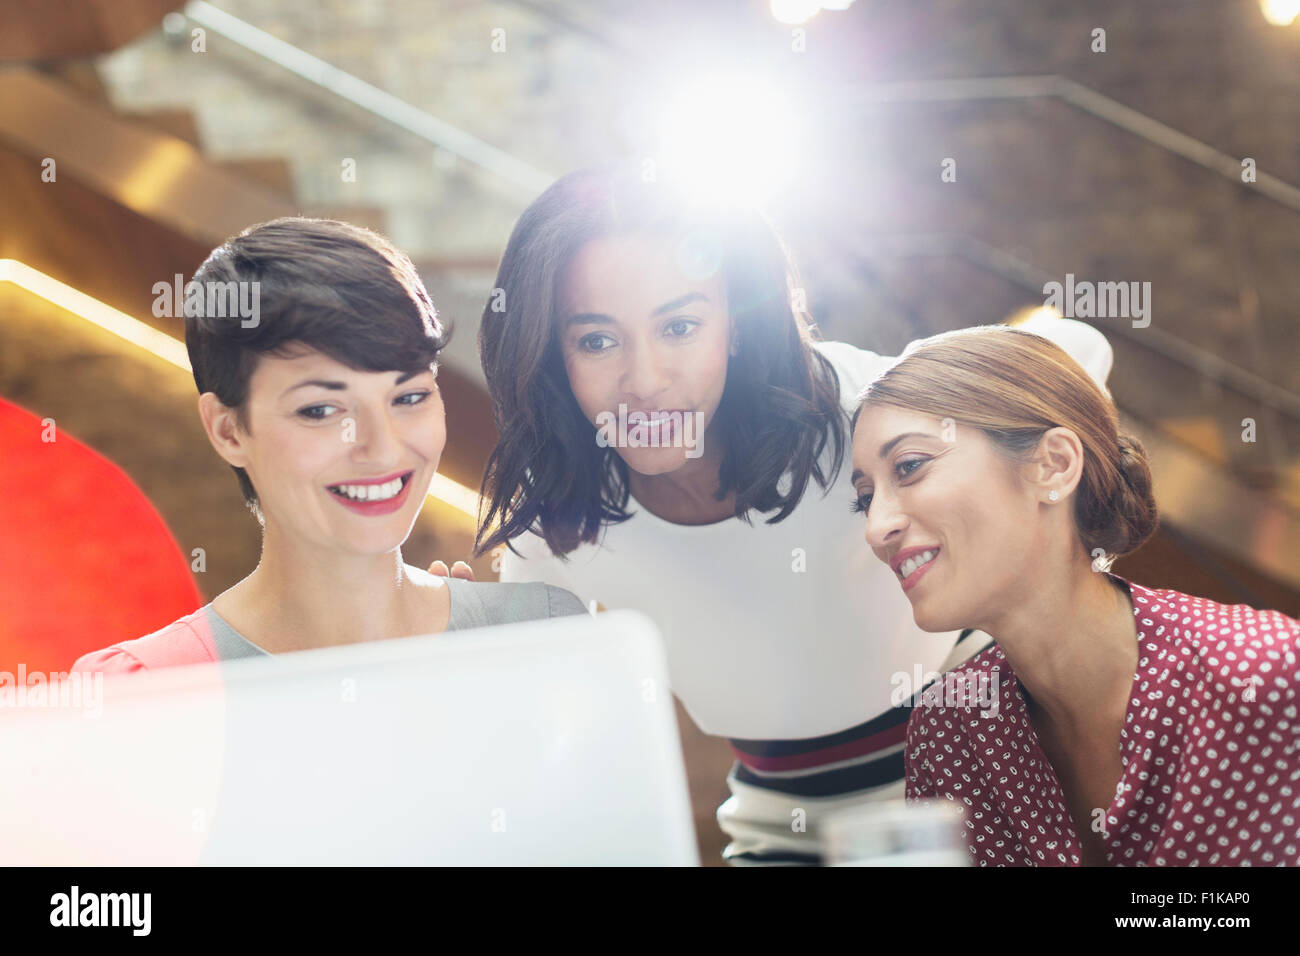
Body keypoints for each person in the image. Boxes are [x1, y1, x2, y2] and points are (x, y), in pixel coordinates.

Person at [470, 165, 1116, 864]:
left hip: (990, 779)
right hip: (781, 826)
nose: (646, 382)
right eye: (596, 340)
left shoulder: (861, 408)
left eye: (681, 326)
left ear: (738, 324)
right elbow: (527, 727)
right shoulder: (555, 508)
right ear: (552, 352)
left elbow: (1079, 353)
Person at [850, 324, 1300, 866]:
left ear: (1054, 465)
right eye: (866, 498)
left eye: (909, 467)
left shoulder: (1265, 674)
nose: (877, 529)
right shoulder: (951, 732)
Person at [74, 218, 584, 675]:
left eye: (408, 396)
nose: (382, 449)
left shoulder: (543, 635)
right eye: (320, 410)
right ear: (228, 430)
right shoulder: (144, 691)